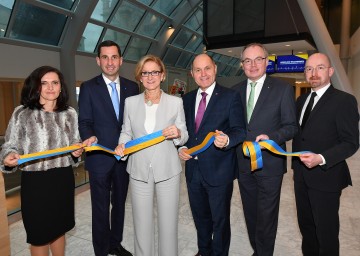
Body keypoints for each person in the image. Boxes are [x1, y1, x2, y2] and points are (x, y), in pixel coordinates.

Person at [0, 66, 83, 256]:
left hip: (62, 178)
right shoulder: (22, 113)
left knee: (59, 228)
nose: (50, 88)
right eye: (44, 83)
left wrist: (76, 152)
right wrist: (8, 156)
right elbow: (10, 144)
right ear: (36, 87)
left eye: (55, 83)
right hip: (35, 182)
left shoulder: (69, 113)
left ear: (61, 87)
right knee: (39, 234)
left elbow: (74, 143)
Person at [114, 54, 188, 256]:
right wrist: (122, 145)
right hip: (139, 171)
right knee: (142, 225)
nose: (150, 76)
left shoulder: (175, 103)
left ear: (162, 75)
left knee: (168, 225)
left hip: (168, 171)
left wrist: (178, 134)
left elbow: (184, 133)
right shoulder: (130, 102)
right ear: (140, 77)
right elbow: (126, 131)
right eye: (145, 73)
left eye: (154, 72)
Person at [232, 43, 298, 256]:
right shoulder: (235, 91)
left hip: (270, 164)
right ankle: (257, 250)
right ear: (242, 64)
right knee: (251, 213)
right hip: (244, 164)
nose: (253, 65)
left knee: (267, 215)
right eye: (247, 60)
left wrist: (272, 138)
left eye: (258, 59)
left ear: (266, 62)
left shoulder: (283, 89)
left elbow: (291, 126)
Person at [179, 53, 246, 256]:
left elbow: (239, 131)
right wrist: (180, 147)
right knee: (200, 218)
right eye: (198, 70)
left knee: (220, 220)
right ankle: (204, 251)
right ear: (192, 74)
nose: (203, 74)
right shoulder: (187, 99)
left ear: (215, 69)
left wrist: (226, 140)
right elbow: (185, 132)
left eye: (207, 68)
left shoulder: (230, 96)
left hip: (219, 171)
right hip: (193, 171)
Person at [292, 53, 359, 256]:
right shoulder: (301, 100)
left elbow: (351, 142)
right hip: (301, 177)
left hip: (326, 178)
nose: (313, 73)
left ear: (330, 71)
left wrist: (321, 158)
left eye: (320, 68)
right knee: (307, 228)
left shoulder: (344, 101)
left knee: (326, 233)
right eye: (309, 69)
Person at [78, 40, 139, 256]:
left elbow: (136, 122)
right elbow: (84, 121)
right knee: (101, 208)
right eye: (105, 57)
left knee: (120, 205)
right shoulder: (87, 87)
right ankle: (101, 250)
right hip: (99, 159)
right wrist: (88, 136)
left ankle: (115, 244)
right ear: (98, 60)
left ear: (121, 60)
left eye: (114, 57)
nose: (110, 62)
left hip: (124, 158)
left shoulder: (132, 87)